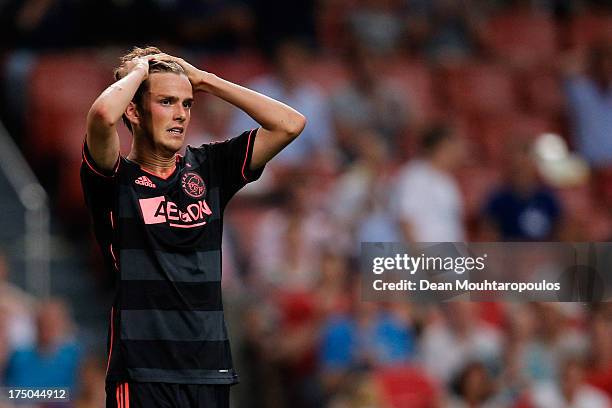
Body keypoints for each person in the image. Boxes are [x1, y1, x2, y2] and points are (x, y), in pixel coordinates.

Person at [80, 46, 305, 408]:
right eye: (167, 101)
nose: (181, 114)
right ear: (134, 111)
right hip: (143, 370)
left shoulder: (209, 168)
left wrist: (206, 80)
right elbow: (104, 114)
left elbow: (290, 124)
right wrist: (139, 71)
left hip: (208, 367)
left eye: (187, 104)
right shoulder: (114, 179)